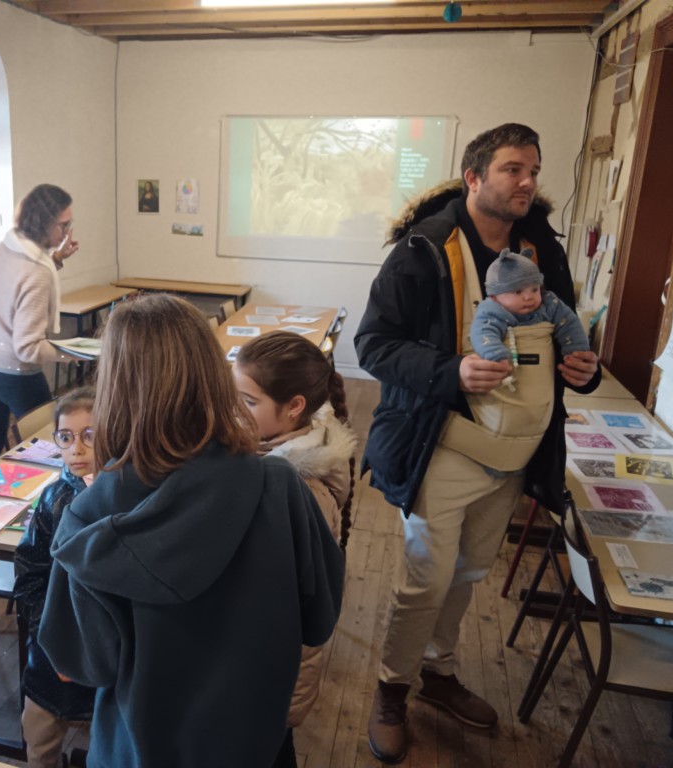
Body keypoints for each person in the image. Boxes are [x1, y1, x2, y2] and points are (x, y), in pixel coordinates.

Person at [354, 123, 600, 763]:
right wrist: (450, 371)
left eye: (533, 170)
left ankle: (438, 672)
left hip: (514, 453)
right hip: (441, 442)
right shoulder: (422, 249)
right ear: (474, 177)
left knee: (468, 571)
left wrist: (585, 369)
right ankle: (392, 689)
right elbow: (373, 346)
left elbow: (566, 331)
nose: (528, 182)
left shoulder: (542, 248)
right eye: (513, 169)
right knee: (425, 578)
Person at [39, 294, 345, 768]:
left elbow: (83, 664)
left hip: (141, 751)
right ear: (214, 376)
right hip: (252, 743)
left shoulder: (88, 518)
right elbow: (320, 618)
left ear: (112, 390)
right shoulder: (280, 486)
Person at [233, 331, 358, 767]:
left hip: (269, 676)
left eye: (247, 402)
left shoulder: (299, 492)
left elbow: (290, 608)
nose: (233, 410)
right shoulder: (275, 453)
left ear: (294, 407)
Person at [14, 386, 97, 768]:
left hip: (105, 650)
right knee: (40, 736)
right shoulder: (52, 499)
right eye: (66, 437)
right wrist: (50, 640)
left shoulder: (125, 495)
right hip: (51, 649)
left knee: (108, 740)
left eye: (89, 435)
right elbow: (30, 573)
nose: (76, 449)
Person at [0, 184, 80, 454]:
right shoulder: (38, 271)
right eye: (64, 225)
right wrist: (72, 352)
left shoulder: (8, 245)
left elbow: (20, 282)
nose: (68, 233)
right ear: (44, 222)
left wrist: (56, 258)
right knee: (51, 445)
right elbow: (27, 348)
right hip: (12, 371)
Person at [471, 247, 590, 370]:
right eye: (517, 292)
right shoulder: (490, 311)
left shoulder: (549, 304)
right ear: (494, 297)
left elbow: (570, 323)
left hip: (543, 372)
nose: (529, 297)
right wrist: (495, 355)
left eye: (534, 289)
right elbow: (482, 332)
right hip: (506, 372)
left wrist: (577, 351)